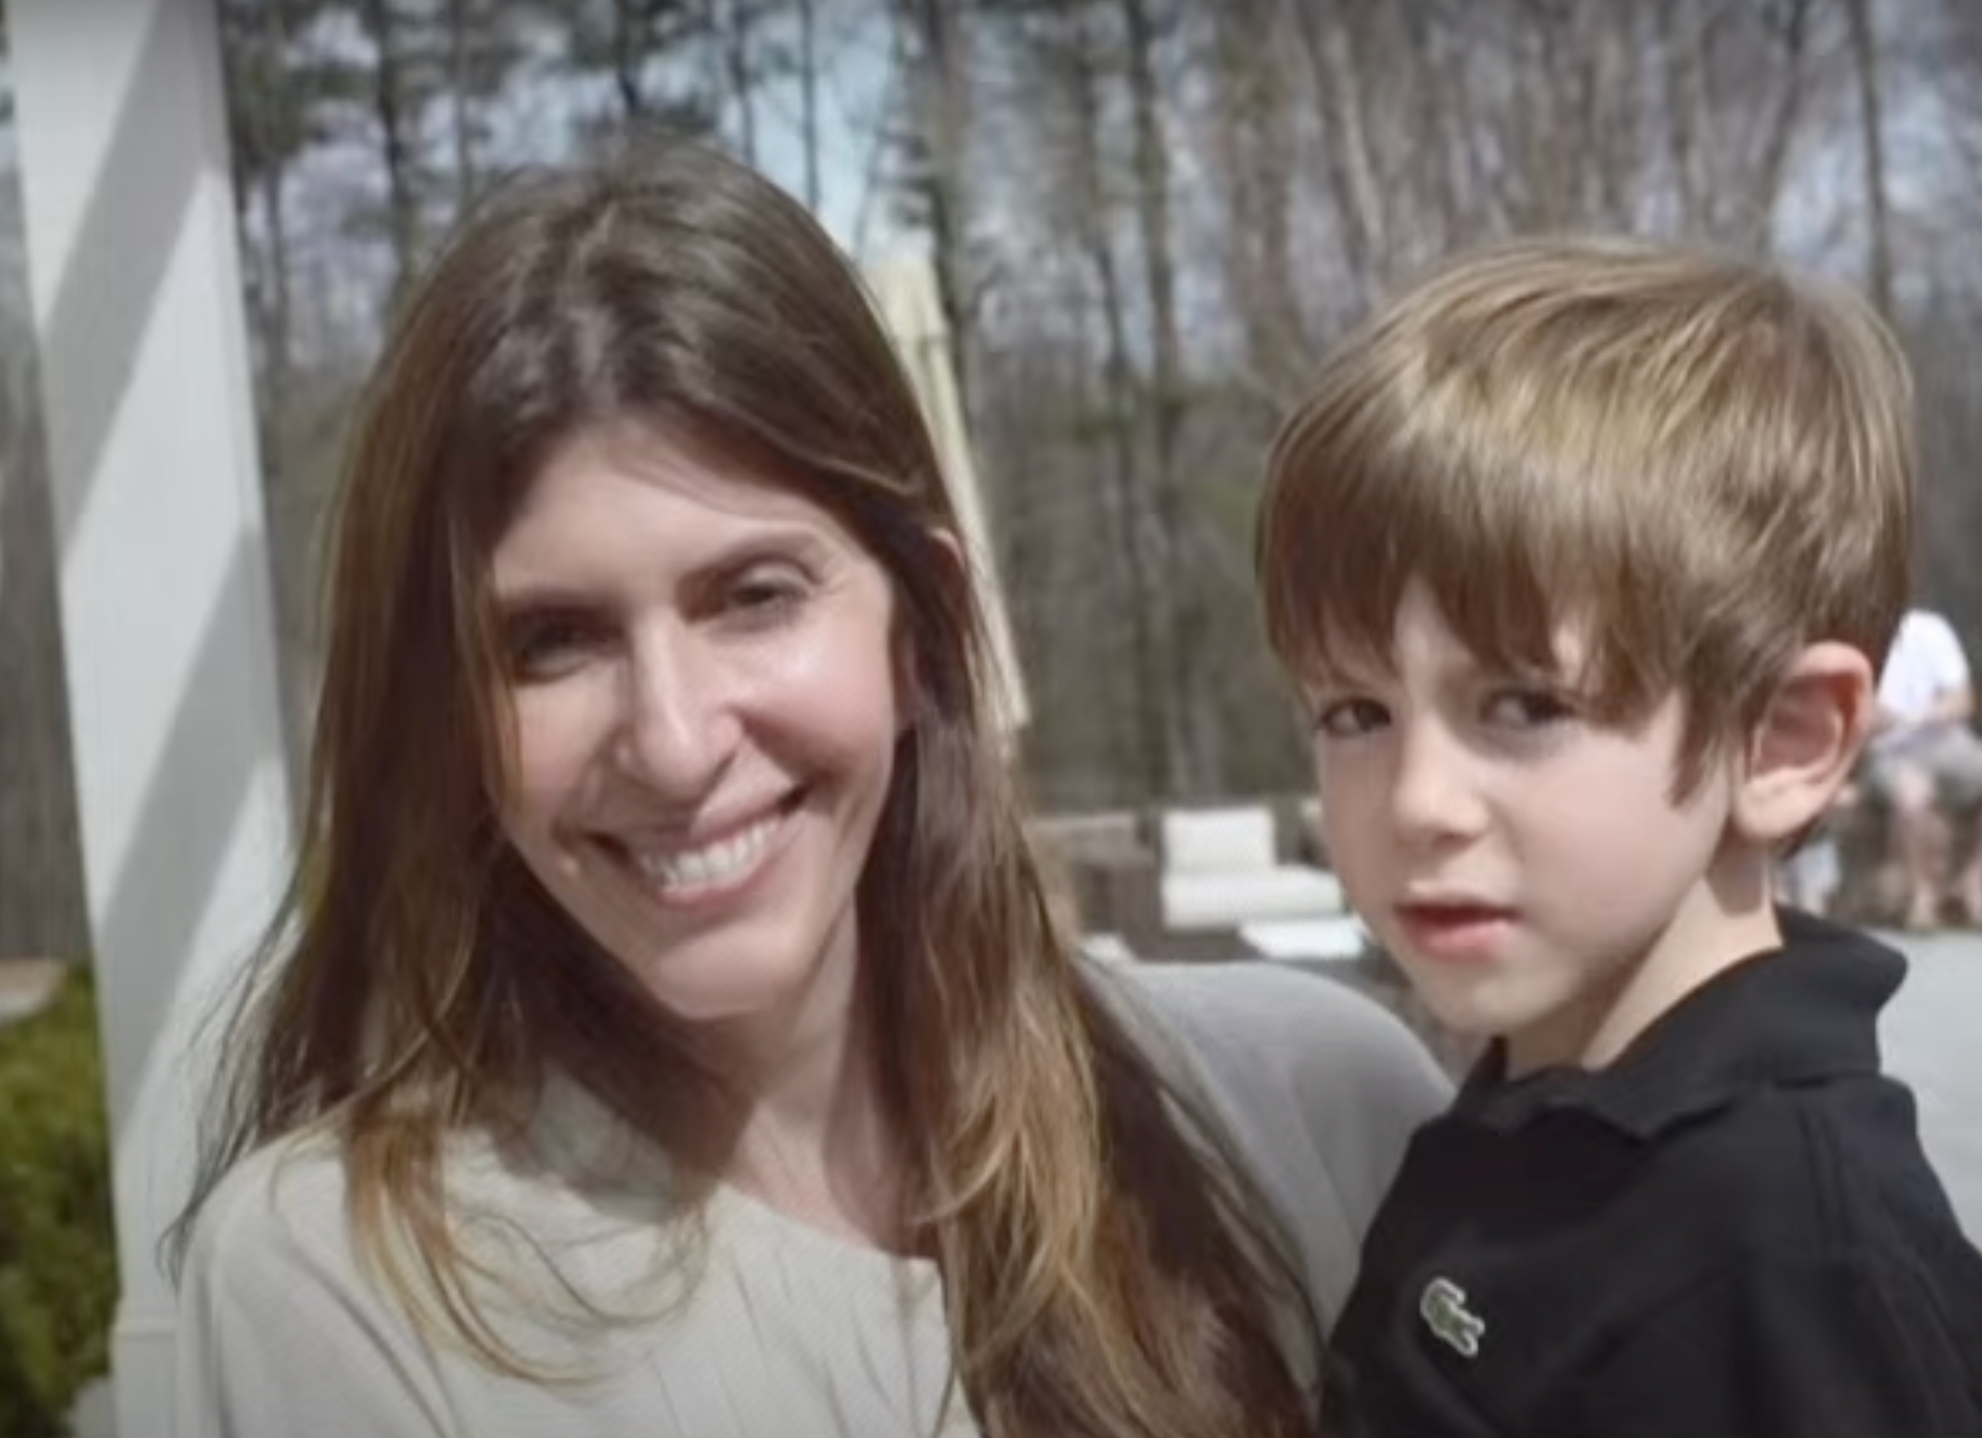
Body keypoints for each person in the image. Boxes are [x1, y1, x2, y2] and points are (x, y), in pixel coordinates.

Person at [167, 137, 1449, 1438]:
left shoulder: (1320, 1108)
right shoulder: (343, 1292)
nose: (671, 741)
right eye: (552, 638)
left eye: (753, 595)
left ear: (924, 622)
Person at [1254, 236, 1982, 1437]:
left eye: (1525, 706)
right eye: (1355, 713)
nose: (1416, 800)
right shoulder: (1541, 1094)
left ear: (1781, 740)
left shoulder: (1788, 1265)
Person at [1864, 605, 1982, 927]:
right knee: (1913, 796)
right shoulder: (1854, 635)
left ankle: (1973, 883)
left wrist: (1923, 715)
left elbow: (1962, 699)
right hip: (1887, 751)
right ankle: (1923, 895)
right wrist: (1876, 719)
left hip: (1942, 740)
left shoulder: (1930, 629)